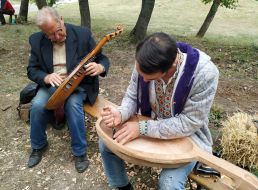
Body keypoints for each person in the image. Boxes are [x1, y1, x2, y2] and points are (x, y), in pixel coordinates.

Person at [100, 32, 219, 189]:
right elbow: (132, 96)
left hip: (188, 138)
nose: (144, 80)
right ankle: (122, 187)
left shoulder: (204, 74)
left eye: (150, 79)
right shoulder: (145, 62)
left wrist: (142, 128)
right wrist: (121, 113)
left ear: (171, 67)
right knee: (106, 144)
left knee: (169, 183)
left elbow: (190, 123)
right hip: (150, 124)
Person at [27, 7, 110, 173]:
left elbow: (102, 58)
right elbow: (32, 69)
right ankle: (38, 145)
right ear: (43, 32)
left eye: (58, 31)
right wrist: (46, 77)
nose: (57, 37)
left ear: (61, 20)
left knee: (73, 105)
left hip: (79, 85)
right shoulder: (36, 40)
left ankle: (80, 152)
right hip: (54, 86)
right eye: (50, 35)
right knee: (37, 105)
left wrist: (100, 67)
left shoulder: (83, 34)